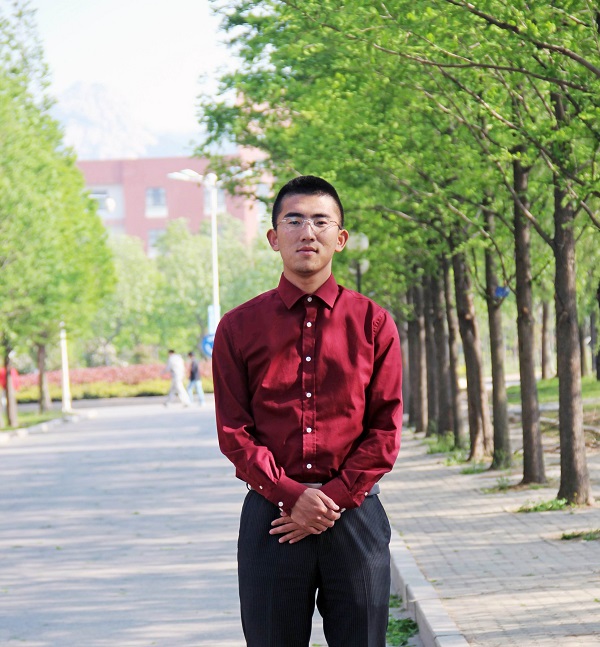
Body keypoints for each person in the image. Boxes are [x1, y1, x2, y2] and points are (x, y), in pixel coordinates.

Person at [212, 175, 403, 647]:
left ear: (341, 238)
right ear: (273, 237)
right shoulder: (238, 328)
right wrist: (290, 495)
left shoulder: (374, 324)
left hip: (355, 516)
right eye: (294, 220)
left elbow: (385, 430)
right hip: (272, 519)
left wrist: (331, 498)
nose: (307, 232)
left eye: (321, 221)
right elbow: (234, 432)